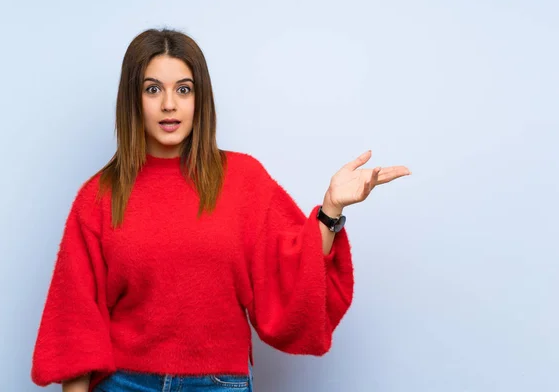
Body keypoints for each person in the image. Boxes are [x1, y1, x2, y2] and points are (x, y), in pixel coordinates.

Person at [30, 28, 411, 392]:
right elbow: (75, 323)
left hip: (218, 384)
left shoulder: (243, 179)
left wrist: (330, 209)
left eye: (183, 89)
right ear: (133, 99)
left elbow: (293, 273)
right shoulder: (99, 196)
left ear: (201, 99)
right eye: (152, 89)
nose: (169, 104)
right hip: (126, 383)